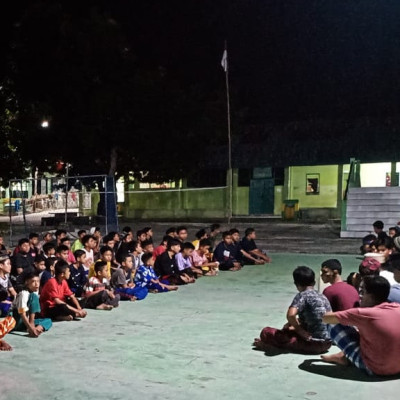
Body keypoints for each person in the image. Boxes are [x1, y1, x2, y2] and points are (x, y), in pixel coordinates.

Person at [322, 276, 400, 376]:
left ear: (371, 295)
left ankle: (344, 357)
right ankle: (343, 357)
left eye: (362, 292)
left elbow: (325, 318)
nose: (360, 296)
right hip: (398, 368)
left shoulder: (363, 313)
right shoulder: (397, 307)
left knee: (332, 324)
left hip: (375, 369)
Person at [254, 266, 332, 354]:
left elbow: (291, 315)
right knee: (288, 330)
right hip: (328, 343)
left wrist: (299, 330)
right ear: (314, 282)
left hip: (312, 344)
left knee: (266, 332)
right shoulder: (322, 296)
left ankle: (269, 346)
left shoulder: (302, 295)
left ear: (296, 284)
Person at [12, 271, 52, 336]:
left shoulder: (35, 292)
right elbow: (22, 314)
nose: (36, 284)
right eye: (33, 281)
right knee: (33, 296)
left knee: (48, 320)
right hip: (16, 320)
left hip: (25, 322)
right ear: (27, 282)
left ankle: (37, 328)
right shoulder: (23, 293)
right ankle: (32, 326)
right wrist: (30, 328)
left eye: (38, 281)